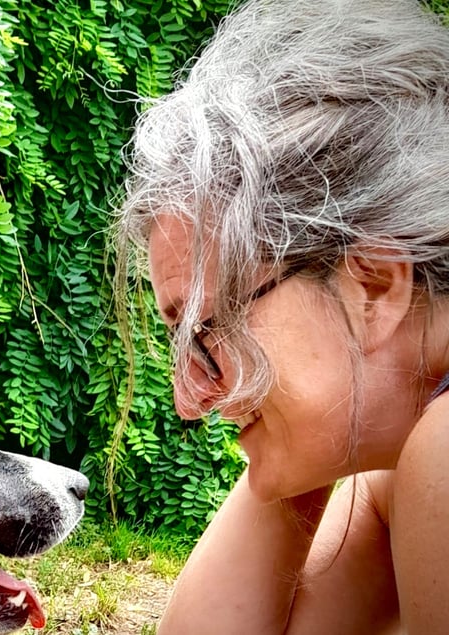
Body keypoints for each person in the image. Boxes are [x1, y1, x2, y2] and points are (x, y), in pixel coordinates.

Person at [116, 0, 449, 632]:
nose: (189, 399)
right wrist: (309, 431)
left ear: (374, 288)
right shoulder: (397, 467)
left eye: (206, 330)